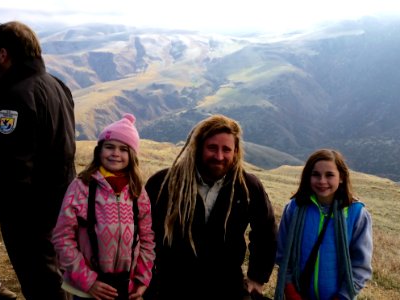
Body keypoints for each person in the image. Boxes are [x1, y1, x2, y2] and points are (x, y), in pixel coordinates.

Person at [0, 21, 76, 300]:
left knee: (42, 286)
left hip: (28, 218)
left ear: (3, 54)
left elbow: (12, 165)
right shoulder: (56, 85)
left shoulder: (14, 97)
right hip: (60, 205)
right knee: (58, 280)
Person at [144, 114, 277, 300]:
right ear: (198, 147)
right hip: (171, 287)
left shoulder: (247, 187)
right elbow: (143, 234)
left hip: (227, 288)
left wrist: (257, 278)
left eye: (226, 149)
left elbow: (265, 233)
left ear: (236, 151)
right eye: (212, 148)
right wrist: (146, 280)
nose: (219, 156)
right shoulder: (164, 183)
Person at [52, 113, 155, 300]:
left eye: (124, 149)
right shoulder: (81, 187)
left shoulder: (137, 191)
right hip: (88, 290)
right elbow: (62, 237)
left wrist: (142, 278)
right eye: (109, 147)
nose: (116, 153)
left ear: (132, 155)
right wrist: (87, 281)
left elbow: (147, 238)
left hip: (127, 287)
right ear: (99, 150)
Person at [274, 149, 373, 300]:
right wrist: (290, 289)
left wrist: (343, 296)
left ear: (341, 177)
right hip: (298, 295)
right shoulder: (294, 209)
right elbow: (283, 255)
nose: (322, 181)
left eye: (329, 175)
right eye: (316, 175)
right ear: (308, 176)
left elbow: (360, 265)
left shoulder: (357, 214)